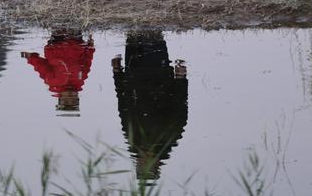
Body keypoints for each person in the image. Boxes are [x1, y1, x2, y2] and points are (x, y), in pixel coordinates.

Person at [112, 32, 188, 181]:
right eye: (147, 166)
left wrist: (117, 73)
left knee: (133, 30)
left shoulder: (133, 140)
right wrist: (181, 78)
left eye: (141, 166)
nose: (143, 162)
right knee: (153, 30)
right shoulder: (169, 138)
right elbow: (180, 105)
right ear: (157, 163)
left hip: (132, 71)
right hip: (158, 73)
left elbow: (123, 105)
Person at [21, 30, 95, 113]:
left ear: (60, 97)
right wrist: (90, 47)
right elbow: (86, 61)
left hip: (56, 43)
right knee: (74, 26)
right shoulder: (80, 80)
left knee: (59, 26)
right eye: (74, 100)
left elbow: (42, 67)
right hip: (76, 43)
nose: (70, 97)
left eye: (66, 100)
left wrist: (31, 58)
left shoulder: (53, 82)